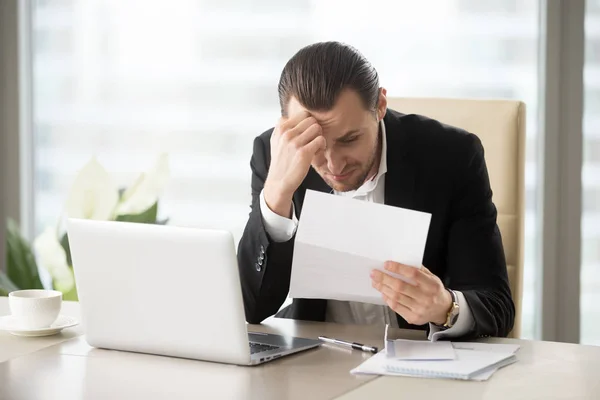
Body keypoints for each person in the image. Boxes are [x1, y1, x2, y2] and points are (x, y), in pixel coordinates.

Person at [237, 41, 514, 340]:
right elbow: (250, 310)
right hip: (316, 362)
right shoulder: (274, 155)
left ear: (380, 106)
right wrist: (277, 193)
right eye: (316, 145)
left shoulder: (453, 157)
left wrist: (447, 307)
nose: (334, 164)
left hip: (421, 365)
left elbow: (497, 307)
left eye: (349, 139)